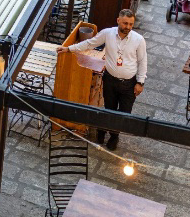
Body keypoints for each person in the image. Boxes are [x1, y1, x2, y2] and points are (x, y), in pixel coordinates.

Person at [57, 9, 146, 151]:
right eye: (125, 23)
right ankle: (102, 130)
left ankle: (114, 136)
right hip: (110, 80)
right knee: (109, 109)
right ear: (118, 20)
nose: (128, 27)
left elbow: (142, 61)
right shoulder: (107, 33)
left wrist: (140, 82)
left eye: (131, 24)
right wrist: (68, 49)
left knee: (124, 114)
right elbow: (89, 44)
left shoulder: (138, 40)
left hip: (129, 84)